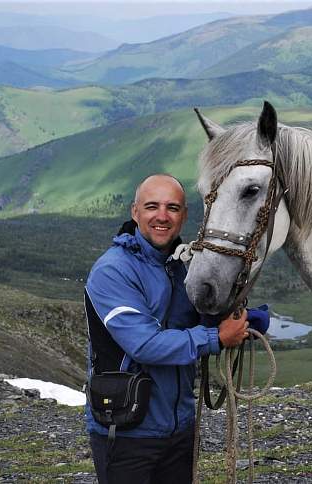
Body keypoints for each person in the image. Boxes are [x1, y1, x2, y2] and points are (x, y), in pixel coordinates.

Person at [84, 173, 264, 484]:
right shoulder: (112, 270)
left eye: (173, 208)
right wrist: (217, 338)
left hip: (179, 428)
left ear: (184, 216)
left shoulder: (181, 267)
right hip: (127, 429)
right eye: (152, 206)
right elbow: (145, 345)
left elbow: (198, 319)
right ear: (134, 212)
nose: (162, 217)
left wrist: (245, 319)